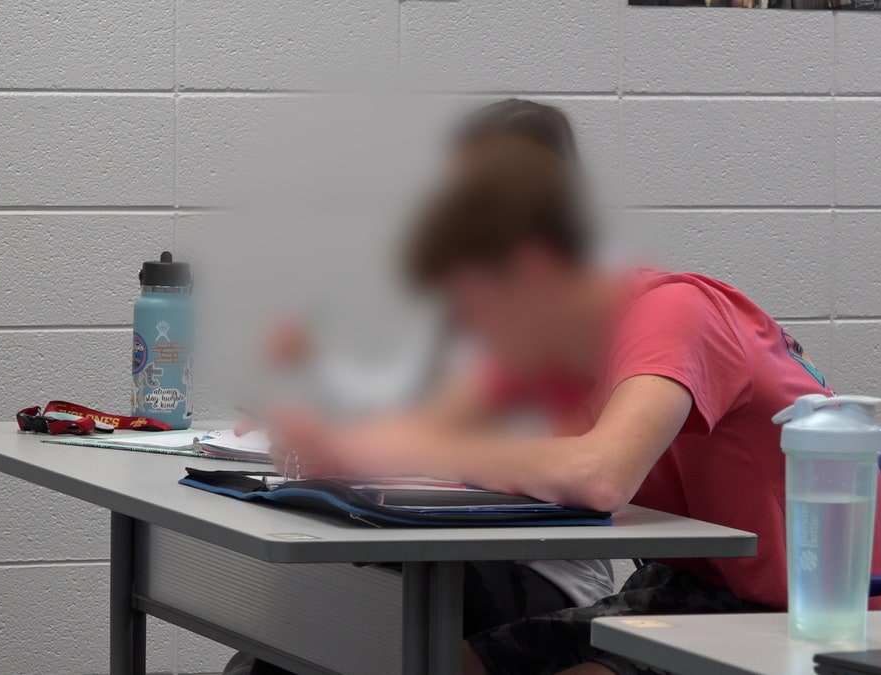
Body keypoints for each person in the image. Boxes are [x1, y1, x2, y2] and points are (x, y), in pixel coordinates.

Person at [229, 100, 615, 675]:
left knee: (332, 622)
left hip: (535, 568)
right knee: (299, 622)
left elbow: (494, 448)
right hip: (436, 539)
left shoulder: (573, 308)